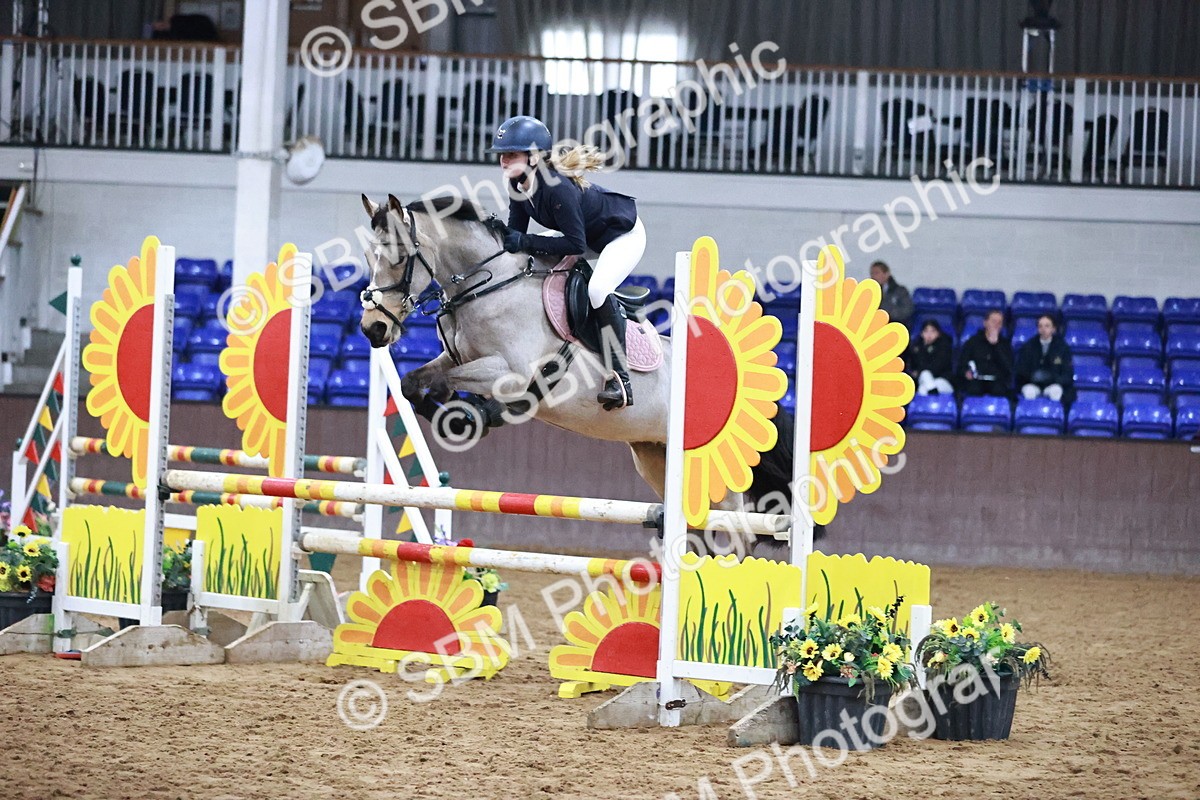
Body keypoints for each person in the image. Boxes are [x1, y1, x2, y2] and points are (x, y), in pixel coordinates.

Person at [488, 115, 644, 411]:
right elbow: (518, 236)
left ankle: (620, 379)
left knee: (597, 289)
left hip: (621, 235)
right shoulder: (517, 185)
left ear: (534, 156)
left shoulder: (557, 187)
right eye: (502, 154)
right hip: (585, 235)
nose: (504, 160)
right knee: (531, 260)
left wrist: (526, 242)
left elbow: (576, 245)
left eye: (511, 153)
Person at [1016, 314, 1074, 402]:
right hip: (1032, 383)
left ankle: (1054, 415)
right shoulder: (1028, 346)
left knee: (1056, 391)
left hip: (1054, 384)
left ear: (1053, 329)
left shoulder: (1062, 348)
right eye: (1040, 326)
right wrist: (1032, 377)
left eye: (1047, 326)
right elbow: (1021, 370)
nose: (1043, 329)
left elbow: (1067, 373)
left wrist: (1053, 378)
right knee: (1029, 392)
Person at [958, 309, 1013, 397]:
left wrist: (996, 346)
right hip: (976, 379)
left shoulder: (1005, 344)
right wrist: (966, 372)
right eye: (994, 321)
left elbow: (1008, 367)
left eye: (1000, 323)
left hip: (997, 380)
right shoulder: (973, 342)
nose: (996, 325)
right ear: (985, 323)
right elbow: (962, 363)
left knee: (999, 391)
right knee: (973, 390)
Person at [907, 319, 954, 395]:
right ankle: (932, 393)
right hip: (925, 381)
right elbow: (913, 367)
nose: (929, 334)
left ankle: (930, 394)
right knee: (923, 383)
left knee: (925, 377)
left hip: (943, 382)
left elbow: (937, 367)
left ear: (938, 333)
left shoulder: (944, 346)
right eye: (926, 331)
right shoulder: (917, 347)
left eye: (932, 331)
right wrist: (923, 348)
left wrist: (919, 371)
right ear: (922, 334)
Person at [869, 261, 914, 326]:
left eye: (876, 273)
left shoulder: (900, 291)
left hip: (896, 326)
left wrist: (887, 312)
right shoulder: (870, 292)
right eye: (872, 273)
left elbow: (907, 310)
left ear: (886, 274)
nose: (873, 276)